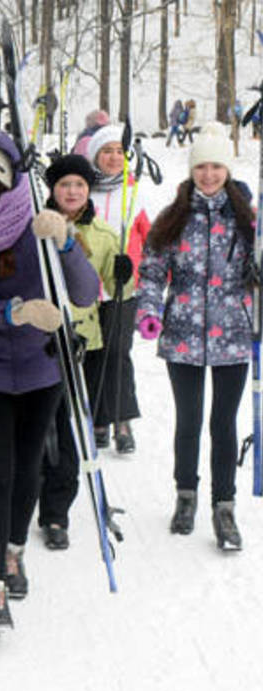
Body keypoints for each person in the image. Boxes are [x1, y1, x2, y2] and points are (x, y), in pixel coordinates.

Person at [0, 130, 99, 633]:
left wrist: (67, 241)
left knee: (29, 469)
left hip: (41, 368)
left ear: (4, 180)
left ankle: (14, 551)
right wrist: (12, 311)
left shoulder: (35, 224)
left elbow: (85, 292)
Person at [136, 122, 253, 551]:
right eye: (201, 166)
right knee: (188, 422)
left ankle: (224, 505)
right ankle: (186, 495)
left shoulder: (246, 219)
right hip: (182, 334)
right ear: (191, 169)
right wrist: (149, 311)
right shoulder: (174, 217)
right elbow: (150, 271)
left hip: (234, 337)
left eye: (216, 166)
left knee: (223, 424)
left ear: (226, 168)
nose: (208, 175)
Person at [37, 154, 133, 550]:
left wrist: (124, 273)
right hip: (41, 341)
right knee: (41, 426)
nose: (72, 192)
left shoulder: (105, 234)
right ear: (53, 190)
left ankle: (56, 512)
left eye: (79, 185)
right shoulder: (36, 226)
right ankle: (30, 491)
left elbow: (116, 288)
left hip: (85, 343)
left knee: (72, 428)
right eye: (64, 186)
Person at [85, 124, 149, 452]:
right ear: (96, 155)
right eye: (106, 151)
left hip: (123, 287)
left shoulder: (134, 192)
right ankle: (97, 418)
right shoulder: (83, 190)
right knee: (95, 354)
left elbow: (149, 237)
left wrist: (145, 271)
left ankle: (121, 420)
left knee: (119, 353)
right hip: (87, 287)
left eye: (118, 152)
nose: (113, 157)